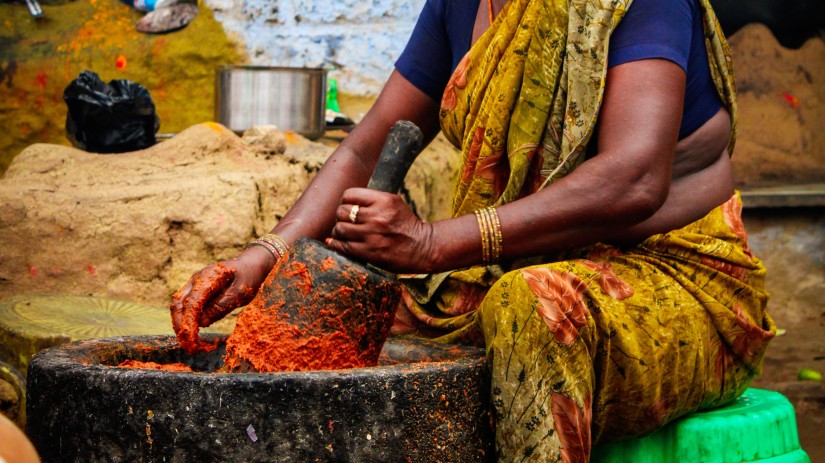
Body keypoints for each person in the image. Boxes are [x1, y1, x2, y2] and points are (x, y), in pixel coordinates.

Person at [171, 0, 776, 460]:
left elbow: (635, 177)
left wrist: (432, 244)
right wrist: (265, 256)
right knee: (340, 312)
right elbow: (366, 146)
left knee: (531, 308)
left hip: (674, 279)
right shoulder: (462, 4)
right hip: (516, 265)